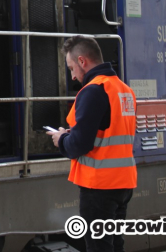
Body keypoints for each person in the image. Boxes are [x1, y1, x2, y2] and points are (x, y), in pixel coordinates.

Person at [47, 36, 137, 252]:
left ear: (82, 61)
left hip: (99, 186)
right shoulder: (124, 90)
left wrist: (62, 140)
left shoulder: (92, 90)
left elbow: (80, 145)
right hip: (123, 183)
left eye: (71, 68)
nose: (73, 76)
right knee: (115, 245)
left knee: (99, 247)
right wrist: (75, 133)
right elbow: (108, 130)